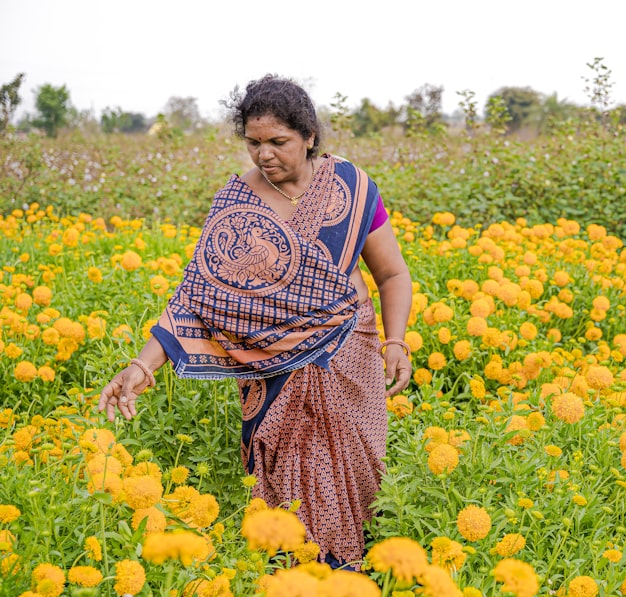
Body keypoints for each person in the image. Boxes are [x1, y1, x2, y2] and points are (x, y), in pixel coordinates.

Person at [97, 74, 413, 569]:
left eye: (278, 142)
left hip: (351, 355)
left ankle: (359, 583)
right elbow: (196, 297)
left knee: (356, 476)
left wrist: (396, 342)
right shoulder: (237, 203)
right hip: (273, 370)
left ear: (309, 137)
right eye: (253, 142)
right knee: (286, 487)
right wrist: (141, 364)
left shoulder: (352, 188)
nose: (264, 155)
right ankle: (291, 583)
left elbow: (392, 273)